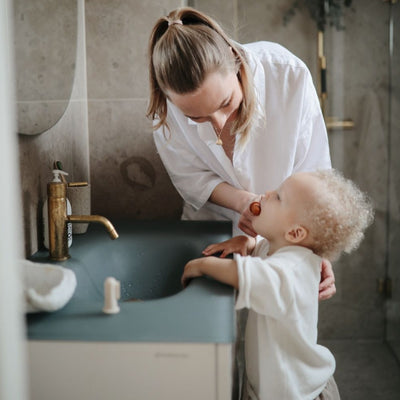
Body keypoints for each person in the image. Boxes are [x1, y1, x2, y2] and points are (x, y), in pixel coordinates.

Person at [147, 6, 336, 300]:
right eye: (196, 118)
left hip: (287, 236)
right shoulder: (166, 109)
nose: (219, 124)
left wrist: (314, 247)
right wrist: (244, 203)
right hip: (209, 232)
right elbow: (190, 177)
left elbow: (315, 175)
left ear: (236, 62)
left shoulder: (288, 76)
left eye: (226, 103)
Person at [181, 169, 374, 400]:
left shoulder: (292, 271)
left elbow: (246, 275)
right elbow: (261, 249)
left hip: (295, 394)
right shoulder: (282, 249)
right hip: (278, 385)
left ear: (294, 232)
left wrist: (201, 265)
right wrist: (247, 241)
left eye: (279, 197)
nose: (268, 193)